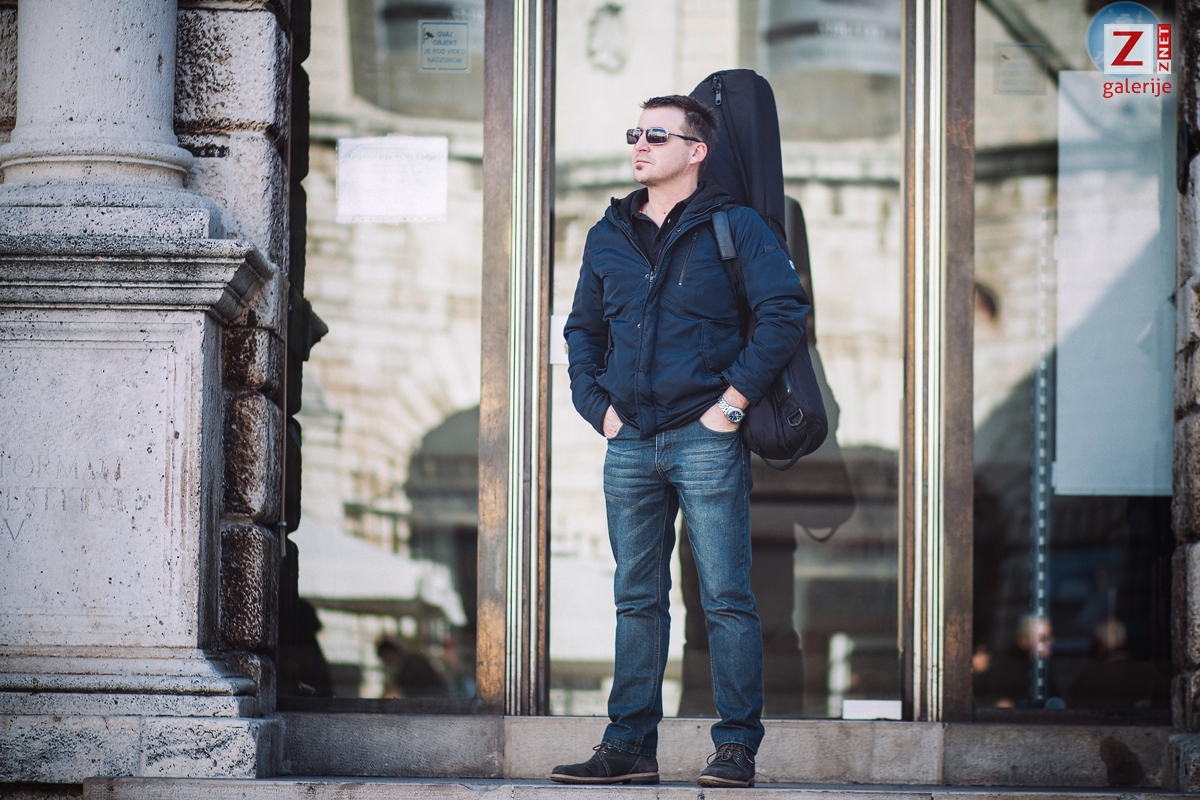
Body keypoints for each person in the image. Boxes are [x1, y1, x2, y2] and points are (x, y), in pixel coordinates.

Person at [550, 95, 808, 788]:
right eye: (635, 133)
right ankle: (629, 746)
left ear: (697, 151)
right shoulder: (608, 233)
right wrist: (598, 410)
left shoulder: (735, 226)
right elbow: (582, 331)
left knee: (725, 597)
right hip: (629, 441)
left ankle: (736, 747)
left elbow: (784, 312)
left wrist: (732, 404)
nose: (640, 144)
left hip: (705, 436)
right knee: (637, 598)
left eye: (657, 135)